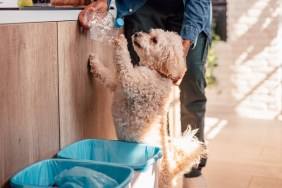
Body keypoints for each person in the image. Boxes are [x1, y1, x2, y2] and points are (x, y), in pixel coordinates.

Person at [79, 0, 211, 187]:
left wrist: (183, 50)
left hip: (190, 8)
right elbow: (124, 83)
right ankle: (150, 165)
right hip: (142, 5)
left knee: (192, 91)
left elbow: (127, 80)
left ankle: (193, 171)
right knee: (140, 80)